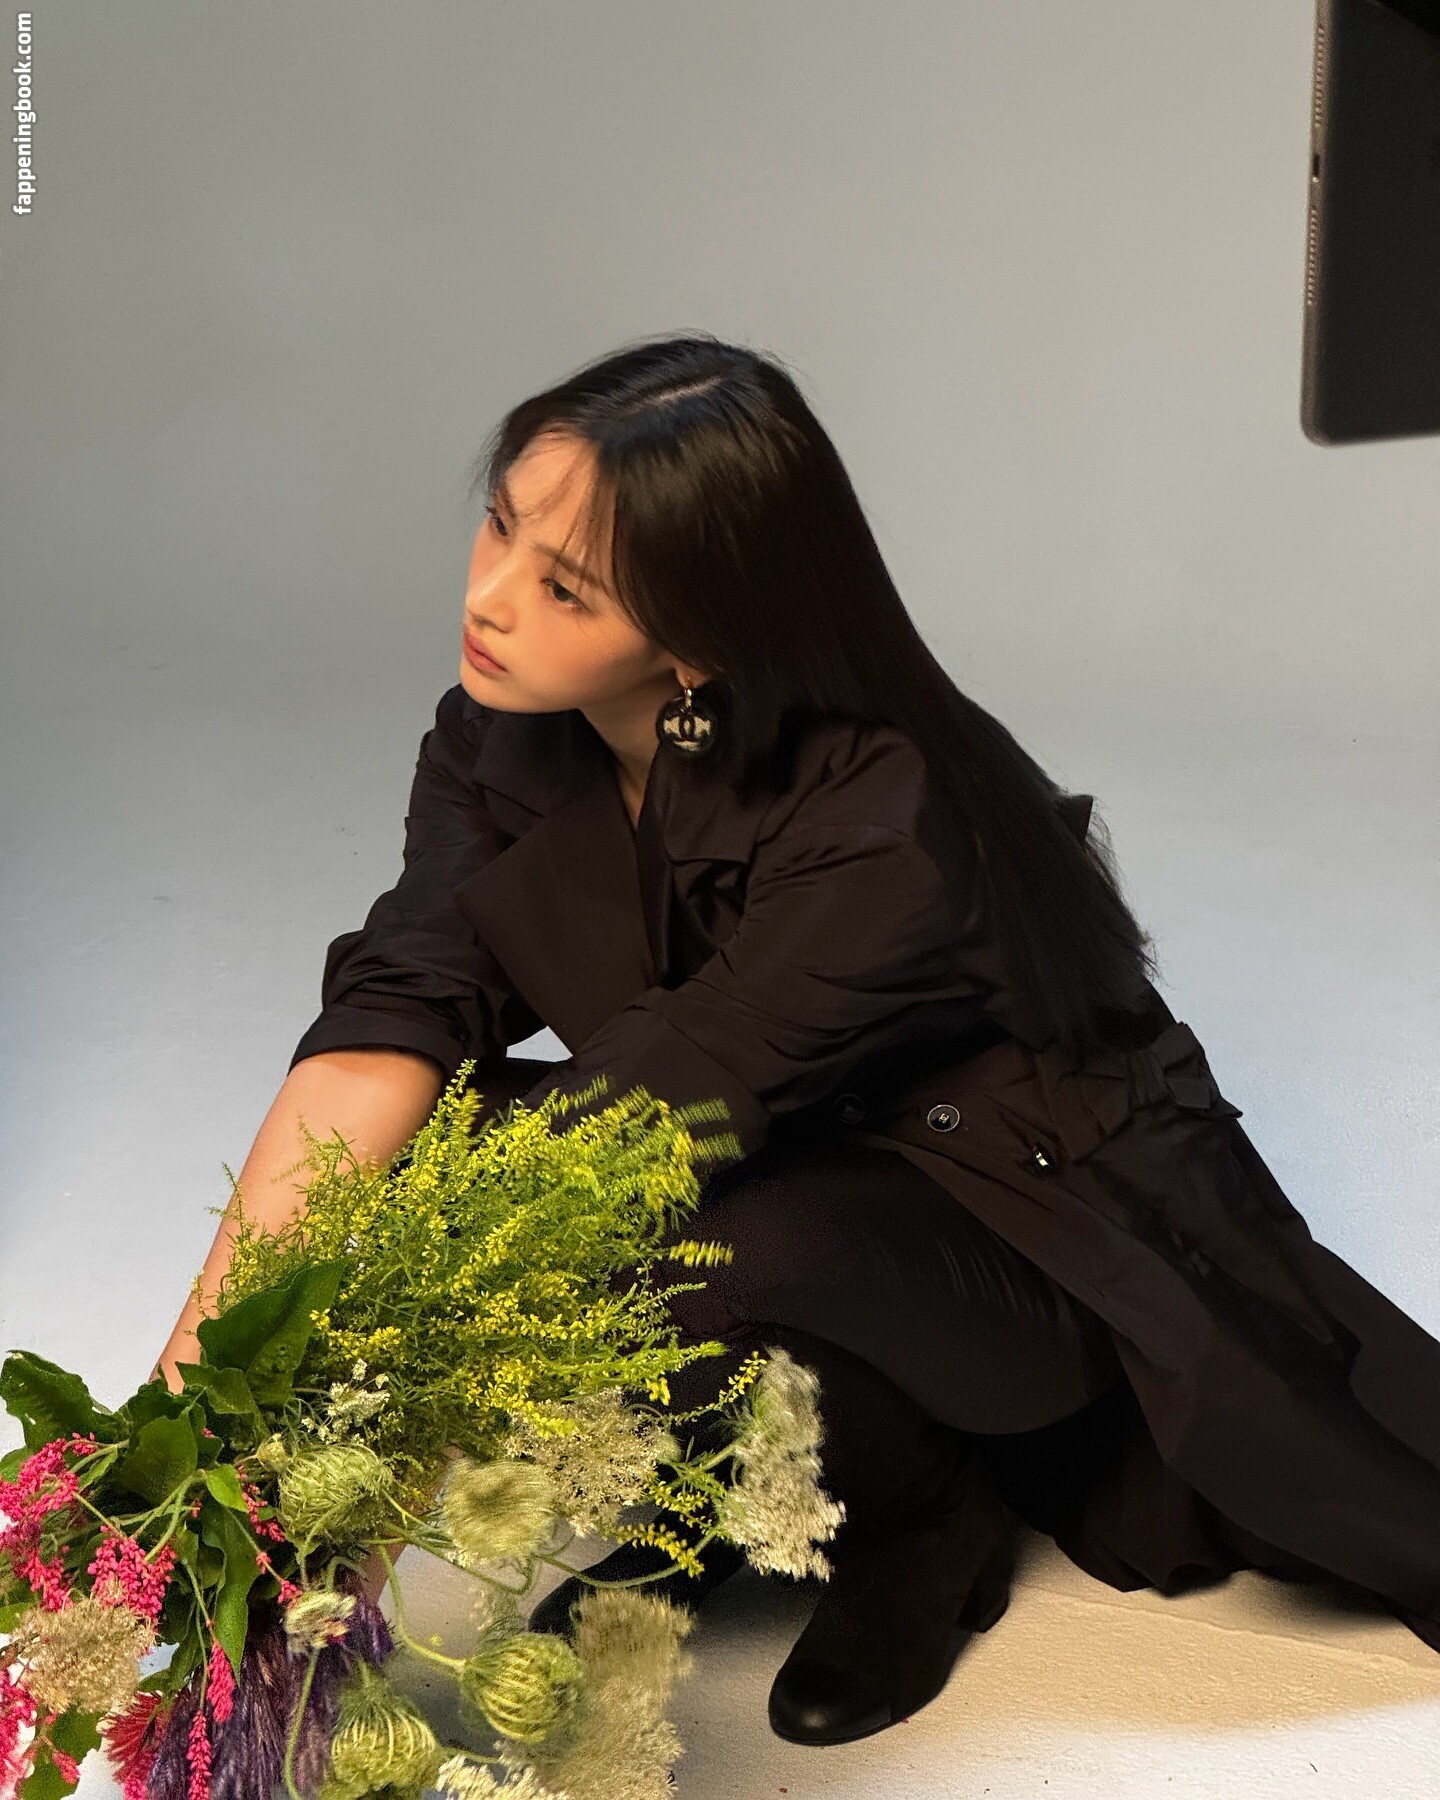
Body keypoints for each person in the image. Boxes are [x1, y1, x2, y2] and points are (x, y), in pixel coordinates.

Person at [153, 332, 1440, 1749]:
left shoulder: (887, 813)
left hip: (1016, 1243)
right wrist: (192, 1403)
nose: (490, 599)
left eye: (563, 585)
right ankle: (735, 1486)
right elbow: (394, 1020)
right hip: (778, 1154)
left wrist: (348, 1491)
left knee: (653, 1233)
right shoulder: (497, 738)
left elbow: (637, 1127)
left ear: (699, 632)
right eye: (500, 526)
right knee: (403, 1163)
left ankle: (922, 1511)